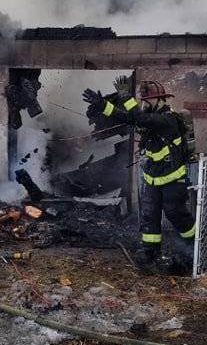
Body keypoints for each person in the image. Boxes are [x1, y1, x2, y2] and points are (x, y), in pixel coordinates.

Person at [82, 78, 196, 275]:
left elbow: (139, 119)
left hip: (172, 178)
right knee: (149, 216)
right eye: (144, 101)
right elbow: (127, 117)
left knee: (176, 214)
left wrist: (126, 97)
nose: (145, 105)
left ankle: (195, 247)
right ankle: (150, 253)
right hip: (153, 177)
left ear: (161, 100)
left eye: (148, 101)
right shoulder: (150, 117)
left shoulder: (168, 120)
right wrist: (102, 105)